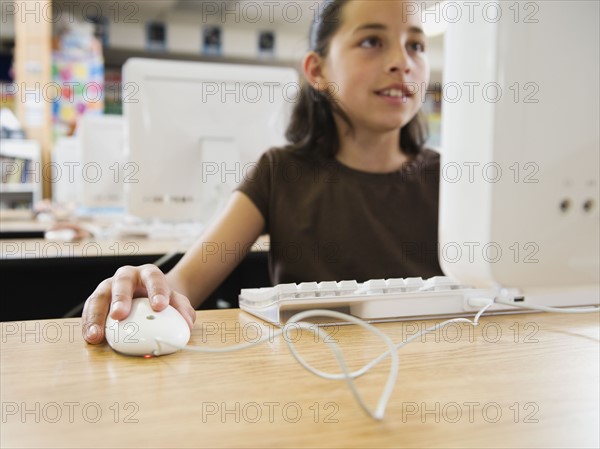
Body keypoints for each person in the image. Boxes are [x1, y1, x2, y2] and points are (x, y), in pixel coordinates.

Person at [82, 0, 442, 344]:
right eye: (371, 41)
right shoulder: (281, 172)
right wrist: (148, 286)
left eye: (416, 45)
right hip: (312, 384)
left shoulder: (449, 180)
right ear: (317, 71)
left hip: (435, 382)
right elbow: (183, 285)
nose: (402, 62)